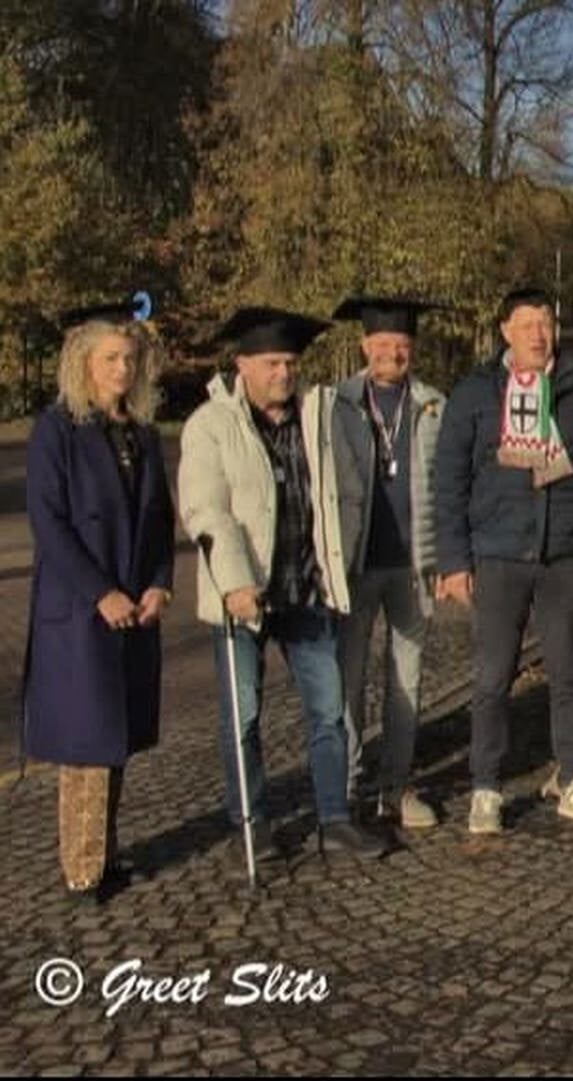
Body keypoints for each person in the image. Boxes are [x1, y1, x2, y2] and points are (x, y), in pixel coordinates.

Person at [179, 307, 389, 867]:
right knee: (243, 716)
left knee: (328, 710)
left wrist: (336, 558)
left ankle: (335, 819)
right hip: (243, 596)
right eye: (271, 363)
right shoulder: (210, 425)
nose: (283, 372)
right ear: (242, 363)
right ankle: (252, 825)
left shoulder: (317, 418)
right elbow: (206, 509)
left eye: (291, 363)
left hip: (306, 590)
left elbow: (345, 489)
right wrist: (235, 582)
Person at [434, 287, 573, 835]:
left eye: (545, 323)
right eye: (526, 325)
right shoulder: (475, 394)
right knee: (492, 678)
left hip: (567, 556)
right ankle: (486, 787)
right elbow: (449, 481)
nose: (538, 334)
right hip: (498, 556)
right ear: (505, 332)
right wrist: (454, 559)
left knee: (569, 674)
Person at [24, 301, 176, 904]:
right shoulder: (57, 430)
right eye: (111, 359)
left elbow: (160, 518)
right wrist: (100, 593)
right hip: (80, 612)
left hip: (134, 606)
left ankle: (107, 854)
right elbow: (49, 523)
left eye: (130, 359)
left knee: (116, 739)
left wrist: (159, 581)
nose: (122, 370)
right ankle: (82, 868)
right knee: (85, 744)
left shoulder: (139, 434)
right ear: (83, 362)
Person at [329, 297, 446, 831]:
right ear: (364, 347)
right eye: (382, 345)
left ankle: (396, 785)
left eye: (401, 346)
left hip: (411, 566)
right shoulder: (338, 405)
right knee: (347, 681)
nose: (392, 353)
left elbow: (446, 487)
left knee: (408, 680)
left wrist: (447, 557)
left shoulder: (431, 406)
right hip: (355, 564)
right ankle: (347, 784)